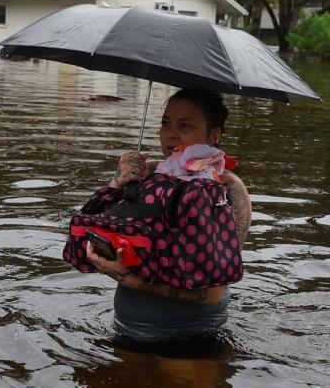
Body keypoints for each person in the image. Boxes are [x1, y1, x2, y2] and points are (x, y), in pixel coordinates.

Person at [66, 88, 252, 343]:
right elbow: (99, 221)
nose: (170, 134)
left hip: (190, 333)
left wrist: (130, 280)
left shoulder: (226, 188)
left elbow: (212, 292)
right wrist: (120, 181)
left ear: (214, 134)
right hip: (127, 325)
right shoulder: (151, 173)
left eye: (185, 125)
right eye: (165, 123)